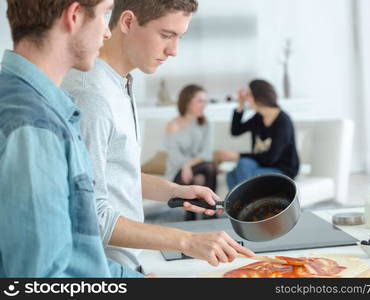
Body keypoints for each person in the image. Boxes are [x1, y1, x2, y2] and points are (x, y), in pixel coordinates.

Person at [62, 0, 254, 272]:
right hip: (102, 270)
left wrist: (174, 191)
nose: (174, 51)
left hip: (125, 265)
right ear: (127, 22)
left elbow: (111, 175)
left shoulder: (120, 81)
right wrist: (186, 240)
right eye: (166, 35)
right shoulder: (91, 96)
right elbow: (91, 213)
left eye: (179, 37)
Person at [0, 0, 142, 277]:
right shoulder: (34, 128)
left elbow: (76, 254)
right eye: (104, 15)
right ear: (74, 15)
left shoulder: (38, 108)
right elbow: (41, 282)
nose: (107, 32)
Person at [218, 79, 300, 190]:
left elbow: (270, 158)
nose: (246, 98)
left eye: (248, 95)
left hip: (282, 170)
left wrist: (237, 156)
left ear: (258, 97)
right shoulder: (259, 117)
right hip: (261, 166)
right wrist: (240, 105)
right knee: (231, 175)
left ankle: (249, 204)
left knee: (243, 165)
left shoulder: (283, 122)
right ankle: (244, 205)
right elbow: (235, 131)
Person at [165, 84, 218, 221]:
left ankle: (207, 213)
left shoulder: (206, 124)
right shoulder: (173, 125)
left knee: (209, 167)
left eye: (205, 101)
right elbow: (175, 158)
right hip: (177, 172)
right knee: (206, 169)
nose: (204, 105)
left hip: (198, 168)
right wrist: (186, 167)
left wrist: (188, 165)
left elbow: (207, 153)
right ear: (188, 102)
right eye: (200, 101)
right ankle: (198, 214)